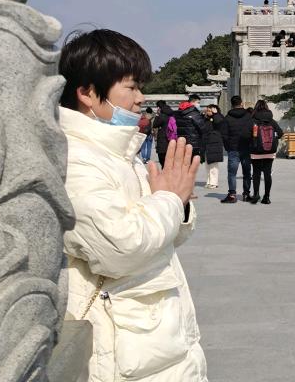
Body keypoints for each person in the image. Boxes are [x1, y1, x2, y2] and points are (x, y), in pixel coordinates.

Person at [58, 29, 206, 381]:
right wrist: (169, 199)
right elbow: (122, 246)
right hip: (122, 346)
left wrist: (177, 204)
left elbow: (164, 235)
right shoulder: (74, 160)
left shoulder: (121, 152)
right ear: (88, 93)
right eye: (131, 87)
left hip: (156, 339)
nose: (141, 98)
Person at [220, 95, 254, 203]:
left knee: (232, 173)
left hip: (233, 149)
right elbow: (253, 132)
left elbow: (224, 135)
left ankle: (232, 195)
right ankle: (246, 194)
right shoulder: (249, 116)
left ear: (231, 104)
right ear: (241, 103)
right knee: (247, 172)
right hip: (246, 148)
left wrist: (228, 147)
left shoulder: (227, 118)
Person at [249, 100, 283, 204]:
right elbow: (280, 133)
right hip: (269, 151)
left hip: (256, 151)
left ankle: (256, 195)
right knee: (267, 173)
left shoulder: (252, 120)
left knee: (256, 173)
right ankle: (266, 197)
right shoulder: (271, 121)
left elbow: (246, 134)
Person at [202, 104, 225, 189]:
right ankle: (209, 181)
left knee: (214, 164)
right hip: (207, 143)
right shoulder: (206, 119)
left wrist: (216, 114)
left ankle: (214, 182)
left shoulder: (219, 117)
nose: (207, 112)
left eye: (209, 110)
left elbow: (219, 123)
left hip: (215, 143)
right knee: (208, 164)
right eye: (207, 110)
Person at [153, 99, 178, 167]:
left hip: (163, 140)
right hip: (172, 139)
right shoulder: (172, 114)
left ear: (158, 107)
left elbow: (155, 125)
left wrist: (157, 115)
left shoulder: (161, 116)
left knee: (163, 160)